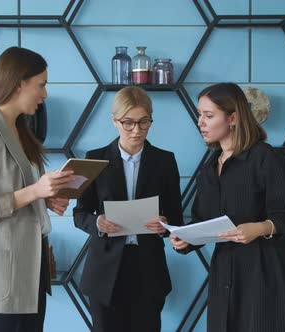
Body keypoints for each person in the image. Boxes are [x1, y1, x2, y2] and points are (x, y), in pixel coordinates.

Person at [0, 46, 75, 332]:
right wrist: (35, 192)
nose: (45, 94)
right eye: (41, 85)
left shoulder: (22, 132)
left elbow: (20, 189)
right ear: (19, 83)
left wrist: (46, 199)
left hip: (30, 275)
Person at [170, 83, 285, 332]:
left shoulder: (265, 157)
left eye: (209, 116)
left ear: (233, 118)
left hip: (264, 269)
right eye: (200, 114)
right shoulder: (208, 169)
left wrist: (259, 228)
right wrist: (185, 240)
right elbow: (202, 221)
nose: (200, 122)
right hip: (224, 271)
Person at [73, 86, 183, 332]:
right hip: (105, 270)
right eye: (128, 122)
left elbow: (175, 217)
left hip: (148, 268)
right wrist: (97, 223)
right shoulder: (94, 159)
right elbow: (79, 214)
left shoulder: (165, 161)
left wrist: (164, 224)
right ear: (114, 121)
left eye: (144, 122)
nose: (136, 130)